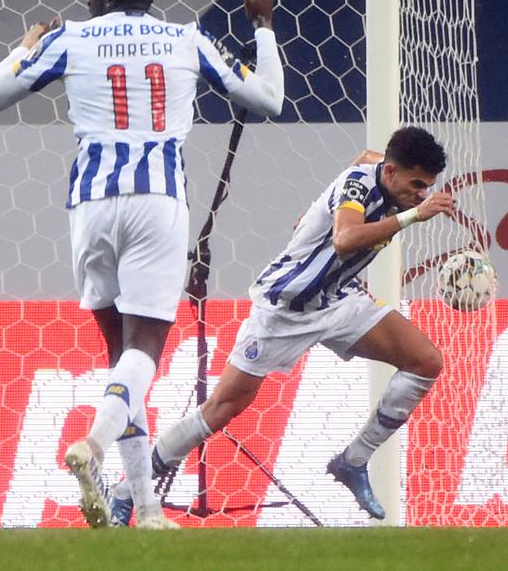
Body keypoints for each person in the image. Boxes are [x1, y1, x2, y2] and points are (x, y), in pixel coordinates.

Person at [0, 0, 285, 528]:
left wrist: (24, 47)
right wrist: (262, 29)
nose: (88, 0)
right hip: (158, 201)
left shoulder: (71, 37)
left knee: (120, 361)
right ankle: (94, 448)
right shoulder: (185, 40)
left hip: (91, 205)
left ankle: (145, 508)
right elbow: (268, 99)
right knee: (142, 354)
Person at [150, 127, 453, 521]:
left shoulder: (383, 176)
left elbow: (366, 156)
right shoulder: (363, 188)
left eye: (426, 188)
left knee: (426, 361)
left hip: (337, 301)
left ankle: (353, 461)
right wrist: (414, 215)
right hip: (285, 310)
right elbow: (344, 240)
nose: (421, 195)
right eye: (416, 185)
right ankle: (130, 487)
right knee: (221, 408)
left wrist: (317, 211)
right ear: (392, 172)